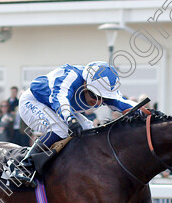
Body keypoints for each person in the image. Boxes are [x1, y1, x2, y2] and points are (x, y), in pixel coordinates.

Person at [7, 61, 136, 185]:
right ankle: (24, 166)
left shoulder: (101, 86)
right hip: (34, 101)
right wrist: (71, 119)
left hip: (55, 107)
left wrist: (147, 113)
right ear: (85, 83)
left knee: (89, 129)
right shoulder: (71, 76)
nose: (97, 102)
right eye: (94, 95)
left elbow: (123, 103)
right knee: (60, 129)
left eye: (103, 98)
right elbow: (60, 99)